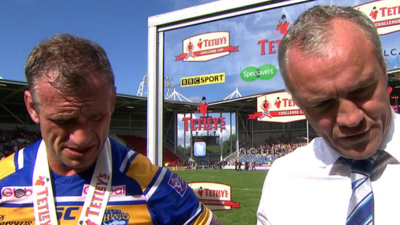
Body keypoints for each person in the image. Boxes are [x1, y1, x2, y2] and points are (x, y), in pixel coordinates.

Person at [0, 34, 224, 225]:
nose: (81, 138)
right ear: (32, 107)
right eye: (64, 120)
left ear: (112, 101)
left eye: (96, 117)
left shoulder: (152, 184)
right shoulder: (4, 180)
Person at [257, 5, 399, 225]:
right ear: (300, 107)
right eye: (323, 104)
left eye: (362, 90)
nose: (351, 119)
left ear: (384, 72)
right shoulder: (283, 180)